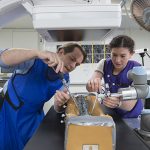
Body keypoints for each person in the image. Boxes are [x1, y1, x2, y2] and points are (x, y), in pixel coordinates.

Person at [0, 43, 86, 150]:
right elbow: (2, 60)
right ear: (61, 52)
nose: (73, 66)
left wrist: (59, 103)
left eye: (77, 65)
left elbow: (57, 107)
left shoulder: (65, 79)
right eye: (72, 59)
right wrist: (36, 53)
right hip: (7, 113)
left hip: (32, 118)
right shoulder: (34, 61)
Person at [86, 35, 143, 118]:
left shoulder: (137, 69)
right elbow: (89, 87)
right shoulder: (104, 63)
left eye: (123, 56)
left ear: (131, 54)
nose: (117, 60)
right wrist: (92, 84)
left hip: (130, 115)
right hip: (109, 113)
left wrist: (118, 103)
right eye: (114, 55)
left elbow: (131, 104)